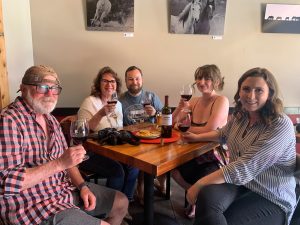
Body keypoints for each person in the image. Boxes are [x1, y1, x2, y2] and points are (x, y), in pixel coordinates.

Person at [0, 65, 128, 225]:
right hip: (32, 205)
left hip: (61, 190)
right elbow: (6, 183)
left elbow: (68, 162)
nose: (50, 93)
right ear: (23, 88)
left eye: (54, 88)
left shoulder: (51, 120)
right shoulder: (9, 120)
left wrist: (83, 186)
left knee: (121, 202)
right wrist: (59, 163)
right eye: (43, 87)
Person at [184, 67, 297, 225]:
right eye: (246, 89)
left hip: (270, 195)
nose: (251, 96)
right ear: (239, 91)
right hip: (241, 184)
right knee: (207, 197)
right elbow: (222, 134)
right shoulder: (241, 115)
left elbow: (246, 166)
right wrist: (196, 137)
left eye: (259, 90)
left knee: (224, 217)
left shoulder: (280, 124)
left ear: (270, 94)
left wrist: (199, 183)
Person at [171, 64, 229, 218]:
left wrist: (181, 127)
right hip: (190, 151)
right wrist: (179, 107)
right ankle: (194, 196)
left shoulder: (221, 100)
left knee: (206, 181)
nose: (201, 82)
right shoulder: (194, 101)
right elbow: (173, 123)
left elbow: (210, 129)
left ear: (216, 81)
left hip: (212, 155)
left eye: (207, 78)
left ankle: (197, 198)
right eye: (198, 78)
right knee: (171, 169)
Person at [78, 66, 139, 203]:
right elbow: (82, 133)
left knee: (134, 166)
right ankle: (112, 207)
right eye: (105, 81)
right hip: (90, 152)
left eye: (112, 81)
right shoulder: (89, 102)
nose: (109, 85)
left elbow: (118, 129)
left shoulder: (118, 104)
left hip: (113, 149)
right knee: (117, 171)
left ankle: (126, 203)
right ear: (98, 84)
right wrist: (100, 114)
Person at [119, 66, 164, 203]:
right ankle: (140, 187)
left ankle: (154, 183)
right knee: (137, 161)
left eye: (137, 78)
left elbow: (165, 119)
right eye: (130, 79)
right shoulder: (120, 100)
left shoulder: (151, 96)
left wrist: (155, 114)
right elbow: (117, 124)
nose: (134, 82)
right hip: (132, 142)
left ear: (142, 79)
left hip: (152, 140)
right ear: (126, 81)